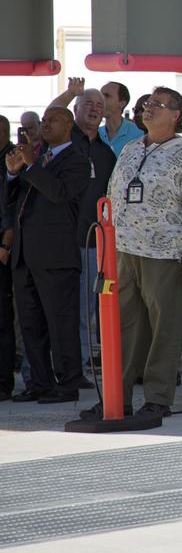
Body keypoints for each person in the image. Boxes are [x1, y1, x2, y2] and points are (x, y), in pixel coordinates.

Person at [94, 88, 182, 419]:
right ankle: (116, 398)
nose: (148, 110)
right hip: (122, 251)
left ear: (176, 115)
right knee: (124, 325)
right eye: (147, 105)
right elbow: (113, 197)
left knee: (164, 327)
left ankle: (158, 397)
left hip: (163, 250)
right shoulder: (132, 149)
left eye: (157, 105)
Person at [4, 107, 91, 403]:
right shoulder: (38, 160)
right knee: (31, 324)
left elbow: (59, 193)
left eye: (51, 120)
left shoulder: (77, 160)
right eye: (43, 121)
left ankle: (68, 384)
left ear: (68, 125)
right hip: (26, 256)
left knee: (61, 322)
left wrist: (30, 167)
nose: (45, 125)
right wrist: (13, 174)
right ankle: (40, 383)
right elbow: (14, 201)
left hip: (56, 257)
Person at [64, 86, 115, 379]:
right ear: (76, 109)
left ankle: (86, 363)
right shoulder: (64, 143)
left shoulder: (106, 154)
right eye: (88, 104)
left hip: (97, 242)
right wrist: (71, 92)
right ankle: (71, 367)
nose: (95, 109)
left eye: (100, 105)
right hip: (65, 240)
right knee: (72, 309)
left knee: (92, 309)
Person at [0, 116, 15, 401]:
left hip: (2, 244)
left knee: (2, 318)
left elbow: (12, 206)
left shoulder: (14, 158)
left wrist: (5, 242)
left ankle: (3, 383)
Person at [98, 81, 146, 157]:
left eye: (107, 96)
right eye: (99, 95)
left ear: (122, 103)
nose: (100, 99)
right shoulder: (95, 134)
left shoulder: (138, 135)